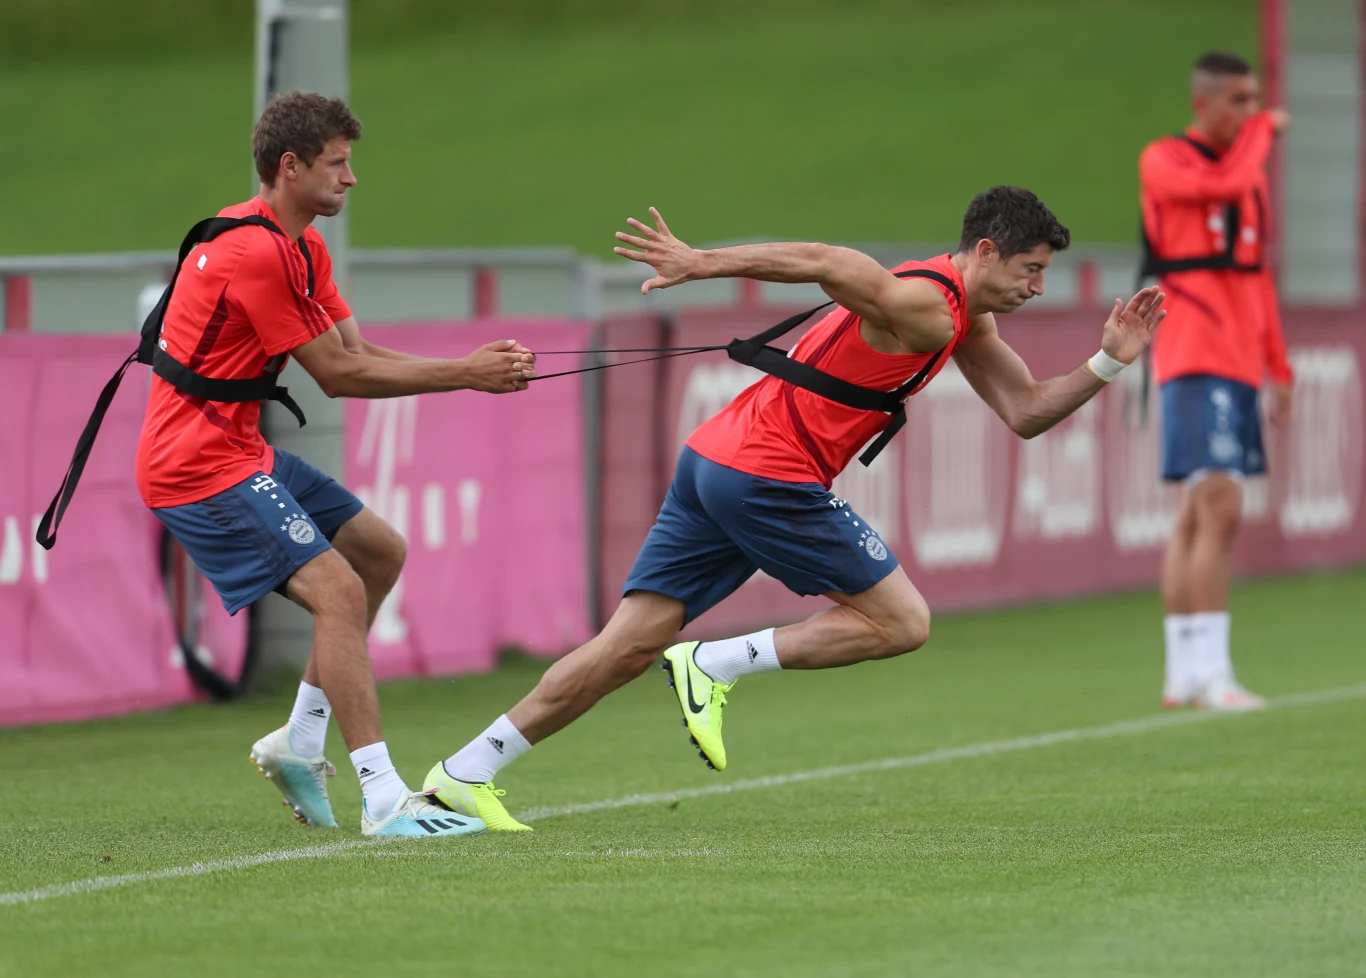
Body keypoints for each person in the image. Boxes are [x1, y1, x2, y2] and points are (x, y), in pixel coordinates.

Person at [419, 186, 1167, 831]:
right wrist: (700, 263)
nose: (1037, 287)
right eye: (1031, 269)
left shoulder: (963, 320)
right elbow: (824, 259)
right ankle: (712, 662)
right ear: (987, 251)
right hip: (766, 475)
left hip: (714, 461)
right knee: (903, 622)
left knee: (625, 647)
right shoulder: (931, 308)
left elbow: (1027, 410)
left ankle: (463, 772)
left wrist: (1109, 360)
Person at [137, 91, 537, 837]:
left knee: (379, 552)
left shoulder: (302, 246)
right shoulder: (257, 253)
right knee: (339, 591)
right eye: (337, 163)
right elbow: (338, 376)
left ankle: (298, 740)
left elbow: (355, 350)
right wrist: (465, 373)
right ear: (290, 167)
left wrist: (468, 368)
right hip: (196, 466)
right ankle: (383, 801)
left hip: (238, 451)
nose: (351, 178)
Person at [1139, 52, 1293, 711]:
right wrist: (1264, 133)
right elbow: (1224, 185)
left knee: (1198, 513)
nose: (1249, 113)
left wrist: (1278, 365)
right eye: (1237, 100)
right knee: (1222, 510)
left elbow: (1256, 278)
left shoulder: (1249, 178)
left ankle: (1183, 672)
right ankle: (1213, 672)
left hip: (1236, 361)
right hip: (1194, 352)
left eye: (1254, 100)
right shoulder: (1165, 159)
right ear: (1201, 103)